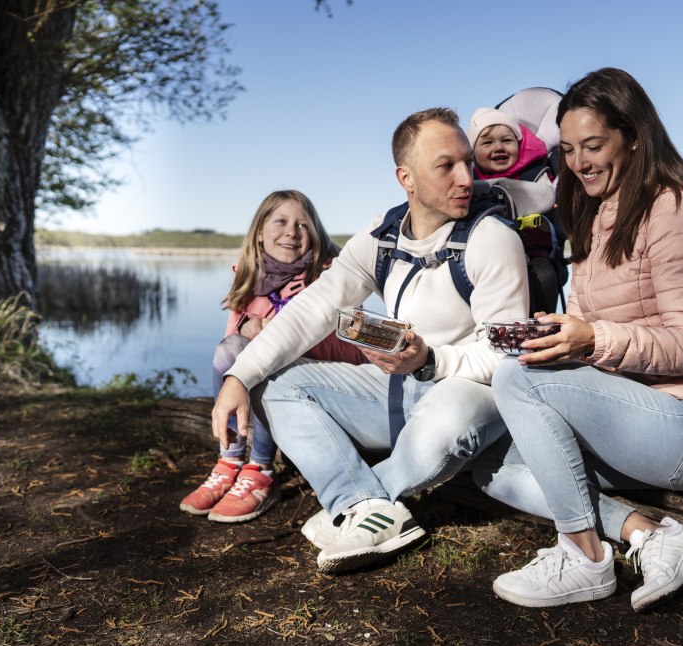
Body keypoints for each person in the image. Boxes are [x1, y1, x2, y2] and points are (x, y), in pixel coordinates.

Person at [211, 108, 529, 573]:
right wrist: (239, 375)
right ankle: (363, 506)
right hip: (401, 394)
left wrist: (430, 360)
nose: (467, 178)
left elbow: (506, 353)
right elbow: (312, 311)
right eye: (446, 166)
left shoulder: (492, 239)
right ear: (407, 178)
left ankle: (351, 507)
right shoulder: (380, 238)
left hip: (470, 396)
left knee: (452, 410)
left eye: (467, 162)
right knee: (275, 383)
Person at [473, 67, 683, 611]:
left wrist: (591, 339)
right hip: (629, 417)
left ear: (634, 135)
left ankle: (584, 557)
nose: (578, 163)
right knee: (495, 462)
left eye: (593, 145)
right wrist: (561, 338)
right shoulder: (593, 216)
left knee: (517, 378)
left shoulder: (675, 209)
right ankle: (649, 533)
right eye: (568, 149)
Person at [180, 190, 366, 523]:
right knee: (232, 349)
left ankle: (261, 469)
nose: (291, 232)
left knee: (270, 354)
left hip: (326, 381)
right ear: (261, 231)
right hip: (273, 382)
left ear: (315, 234)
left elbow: (355, 348)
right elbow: (230, 353)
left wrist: (288, 337)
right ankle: (230, 461)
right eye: (280, 221)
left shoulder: (331, 276)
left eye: (302, 225)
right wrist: (252, 334)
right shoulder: (249, 277)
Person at [467, 107, 554, 185]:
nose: (499, 148)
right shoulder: (468, 181)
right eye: (488, 143)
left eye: (507, 140)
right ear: (473, 152)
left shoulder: (536, 175)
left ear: (519, 144)